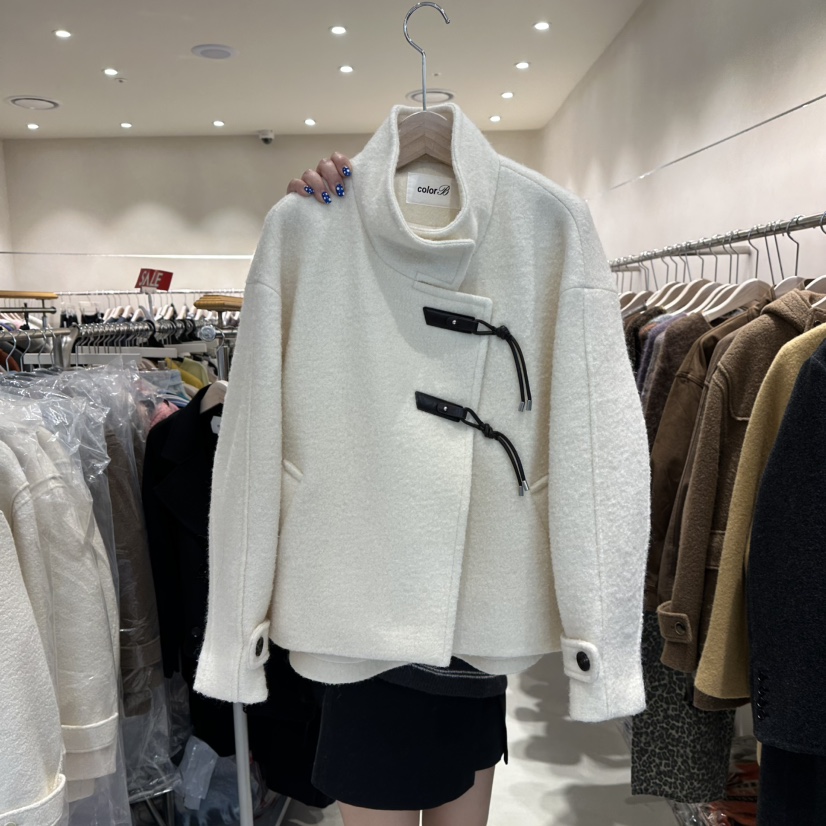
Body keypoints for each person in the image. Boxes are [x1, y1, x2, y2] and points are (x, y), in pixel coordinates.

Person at [282, 155, 506, 826]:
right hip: (365, 639)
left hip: (472, 622)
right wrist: (311, 231)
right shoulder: (338, 255)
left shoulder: (502, 244)